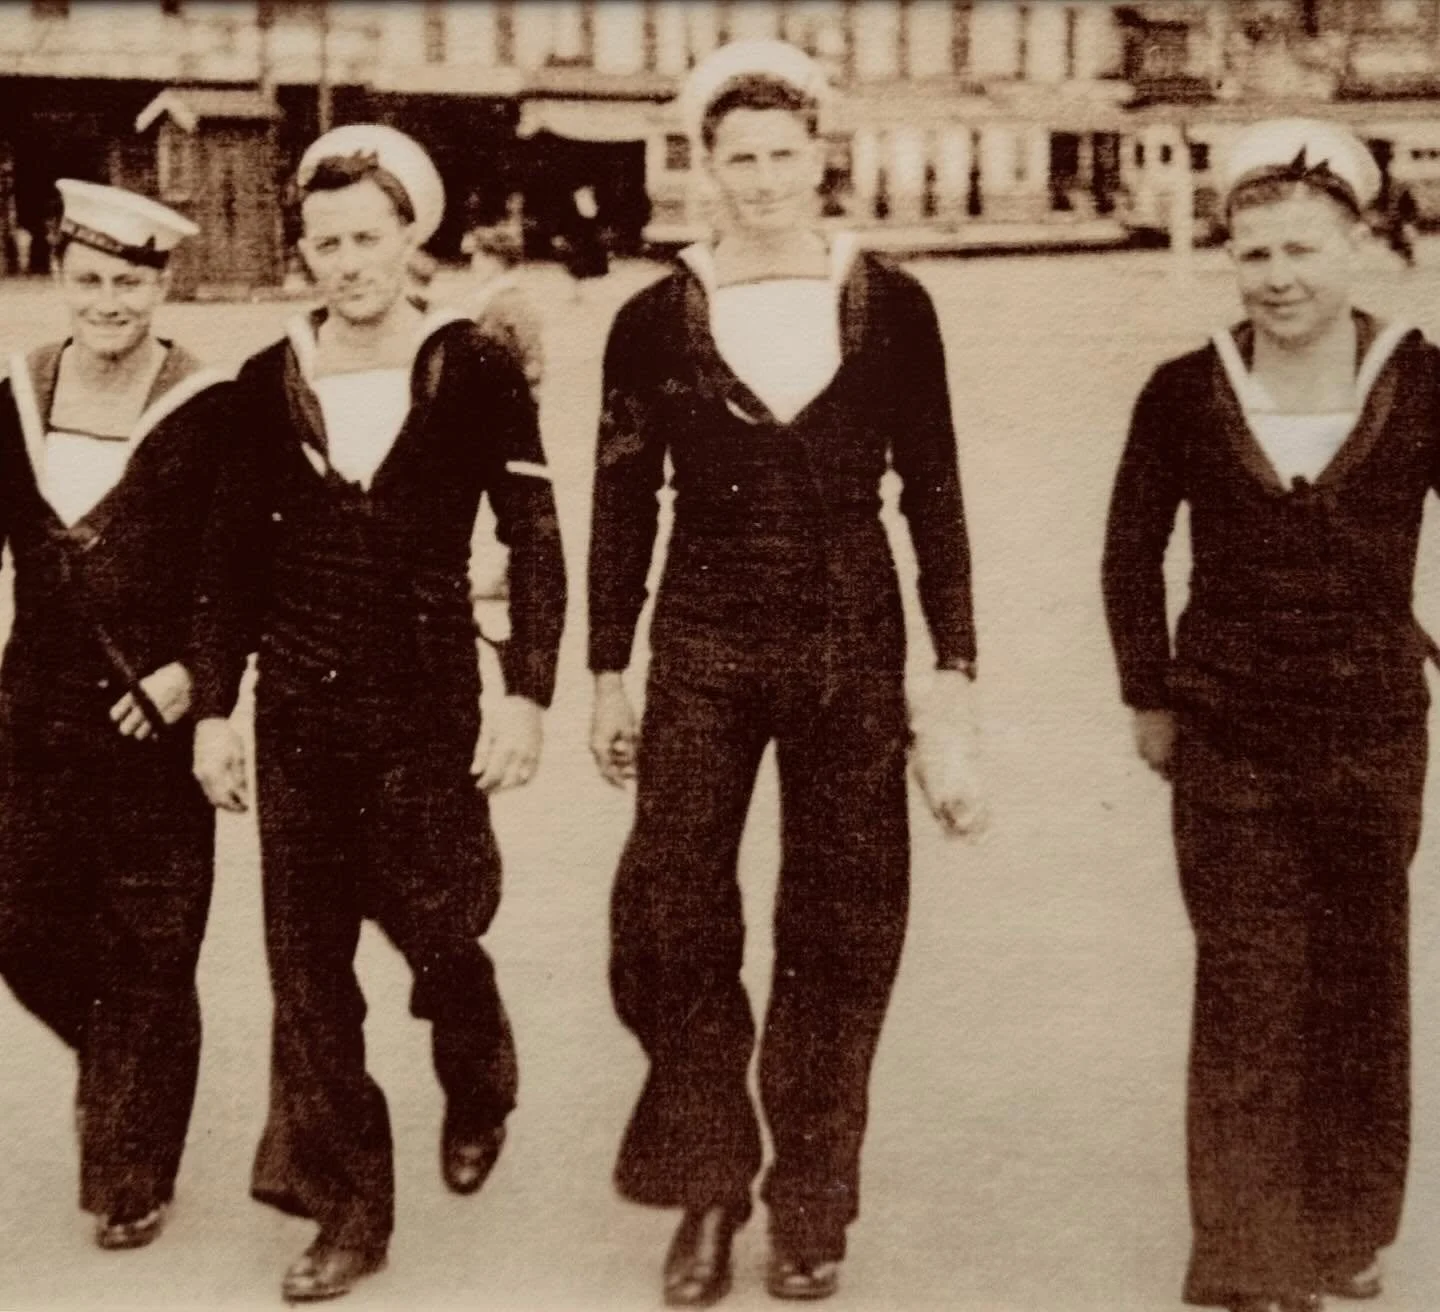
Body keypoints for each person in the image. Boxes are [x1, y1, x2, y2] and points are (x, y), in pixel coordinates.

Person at [587, 39, 986, 1307]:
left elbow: (934, 492)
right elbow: (618, 505)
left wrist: (956, 662)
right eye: (737, 159)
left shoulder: (891, 303)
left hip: (850, 634)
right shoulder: (654, 317)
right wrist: (606, 672)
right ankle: (708, 1185)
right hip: (702, 635)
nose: (762, 180)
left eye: (782, 156)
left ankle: (813, 1202)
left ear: (821, 160)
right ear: (703, 169)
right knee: (673, 907)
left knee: (844, 918)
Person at [188, 124, 566, 1303]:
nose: (347, 262)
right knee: (307, 974)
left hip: (427, 709)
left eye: (369, 237)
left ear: (414, 239)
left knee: (442, 926)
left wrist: (528, 692)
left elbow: (533, 539)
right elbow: (226, 565)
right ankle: (350, 1210)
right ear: (304, 252)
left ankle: (479, 1062)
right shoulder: (266, 384)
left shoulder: (472, 369)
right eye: (326, 242)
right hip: (299, 714)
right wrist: (215, 708)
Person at [1103, 118, 1437, 1312]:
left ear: (1359, 242)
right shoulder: (1185, 389)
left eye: (1302, 248)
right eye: (1256, 255)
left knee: (1358, 974)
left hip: (1373, 735)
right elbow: (1130, 553)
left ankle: (1347, 1227)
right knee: (1248, 978)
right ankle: (1248, 1258)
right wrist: (1149, 695)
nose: (1280, 277)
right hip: (1227, 733)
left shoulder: (1423, 376)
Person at [0, 181, 229, 1250]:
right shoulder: (17, 390)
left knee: (150, 940)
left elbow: (245, 564)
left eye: (128, 282)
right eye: (88, 280)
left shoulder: (208, 399)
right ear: (59, 279)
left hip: (155, 715)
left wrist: (197, 672)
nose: (107, 301)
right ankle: (128, 1061)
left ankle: (130, 1170)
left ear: (161, 286)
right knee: (20, 920)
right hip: (33, 713)